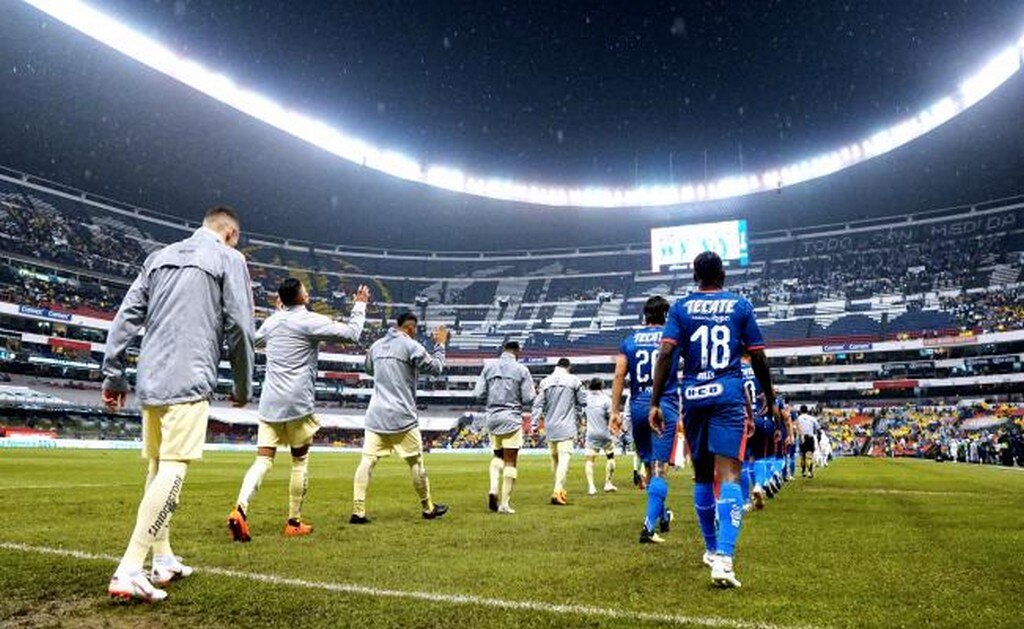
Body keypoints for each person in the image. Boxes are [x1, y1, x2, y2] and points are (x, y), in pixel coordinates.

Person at [101, 206, 255, 602]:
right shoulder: (229, 258)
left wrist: (113, 373)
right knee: (173, 469)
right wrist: (242, 384)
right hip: (189, 376)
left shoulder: (158, 257)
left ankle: (163, 558)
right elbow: (240, 325)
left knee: (156, 467)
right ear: (231, 233)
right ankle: (130, 567)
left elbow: (126, 317)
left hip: (151, 378)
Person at [648, 251, 777, 588]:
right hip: (728, 396)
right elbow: (759, 357)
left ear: (694, 276)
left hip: (692, 398)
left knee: (702, 475)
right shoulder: (740, 305)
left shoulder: (680, 308)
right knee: (730, 473)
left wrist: (655, 401)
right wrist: (770, 396)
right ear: (723, 274)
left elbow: (665, 355)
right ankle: (724, 558)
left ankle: (710, 548)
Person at [227, 279, 369, 541]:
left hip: (270, 402)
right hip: (297, 403)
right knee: (299, 460)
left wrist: (279, 314)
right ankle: (293, 521)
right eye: (305, 289)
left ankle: (240, 510)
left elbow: (250, 343)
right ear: (301, 297)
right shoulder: (309, 320)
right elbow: (352, 334)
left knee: (262, 460)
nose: (308, 292)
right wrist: (359, 305)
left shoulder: (272, 322)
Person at [351, 312, 449, 523]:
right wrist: (440, 345)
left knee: (367, 461)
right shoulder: (412, 346)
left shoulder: (376, 346)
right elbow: (436, 369)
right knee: (415, 462)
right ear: (411, 328)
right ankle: (428, 507)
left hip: (376, 415)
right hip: (402, 416)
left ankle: (358, 510)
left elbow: (369, 369)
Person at [610, 295, 679, 544]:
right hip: (663, 405)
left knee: (649, 467)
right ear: (665, 316)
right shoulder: (671, 338)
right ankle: (648, 528)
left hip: (637, 406)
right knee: (661, 468)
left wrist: (614, 411)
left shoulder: (629, 341)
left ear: (645, 315)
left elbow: (619, 376)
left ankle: (662, 516)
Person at [473, 340, 536, 514]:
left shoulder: (489, 367)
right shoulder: (522, 370)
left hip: (492, 418)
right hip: (511, 418)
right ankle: (505, 504)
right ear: (517, 351)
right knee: (510, 461)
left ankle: (493, 489)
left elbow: (478, 394)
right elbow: (529, 397)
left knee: (497, 456)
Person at [532, 357, 586, 505]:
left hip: (550, 427)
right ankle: (557, 491)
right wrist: (580, 413)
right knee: (564, 460)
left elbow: (538, 405)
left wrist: (534, 425)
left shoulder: (545, 382)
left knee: (555, 460)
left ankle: (560, 489)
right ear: (568, 367)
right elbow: (583, 401)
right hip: (567, 426)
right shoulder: (574, 381)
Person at [583, 378, 617, 496]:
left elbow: (581, 414)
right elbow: (610, 417)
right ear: (601, 386)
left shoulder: (585, 399)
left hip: (591, 433)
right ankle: (608, 483)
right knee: (610, 457)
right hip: (605, 433)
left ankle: (591, 487)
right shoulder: (606, 399)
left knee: (590, 460)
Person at [795, 405, 821, 478]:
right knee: (809, 455)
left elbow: (795, 428)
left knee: (802, 455)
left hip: (801, 438)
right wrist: (818, 438)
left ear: (800, 411)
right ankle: (810, 472)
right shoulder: (812, 418)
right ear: (807, 410)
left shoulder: (798, 418)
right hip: (809, 438)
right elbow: (818, 428)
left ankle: (803, 472)